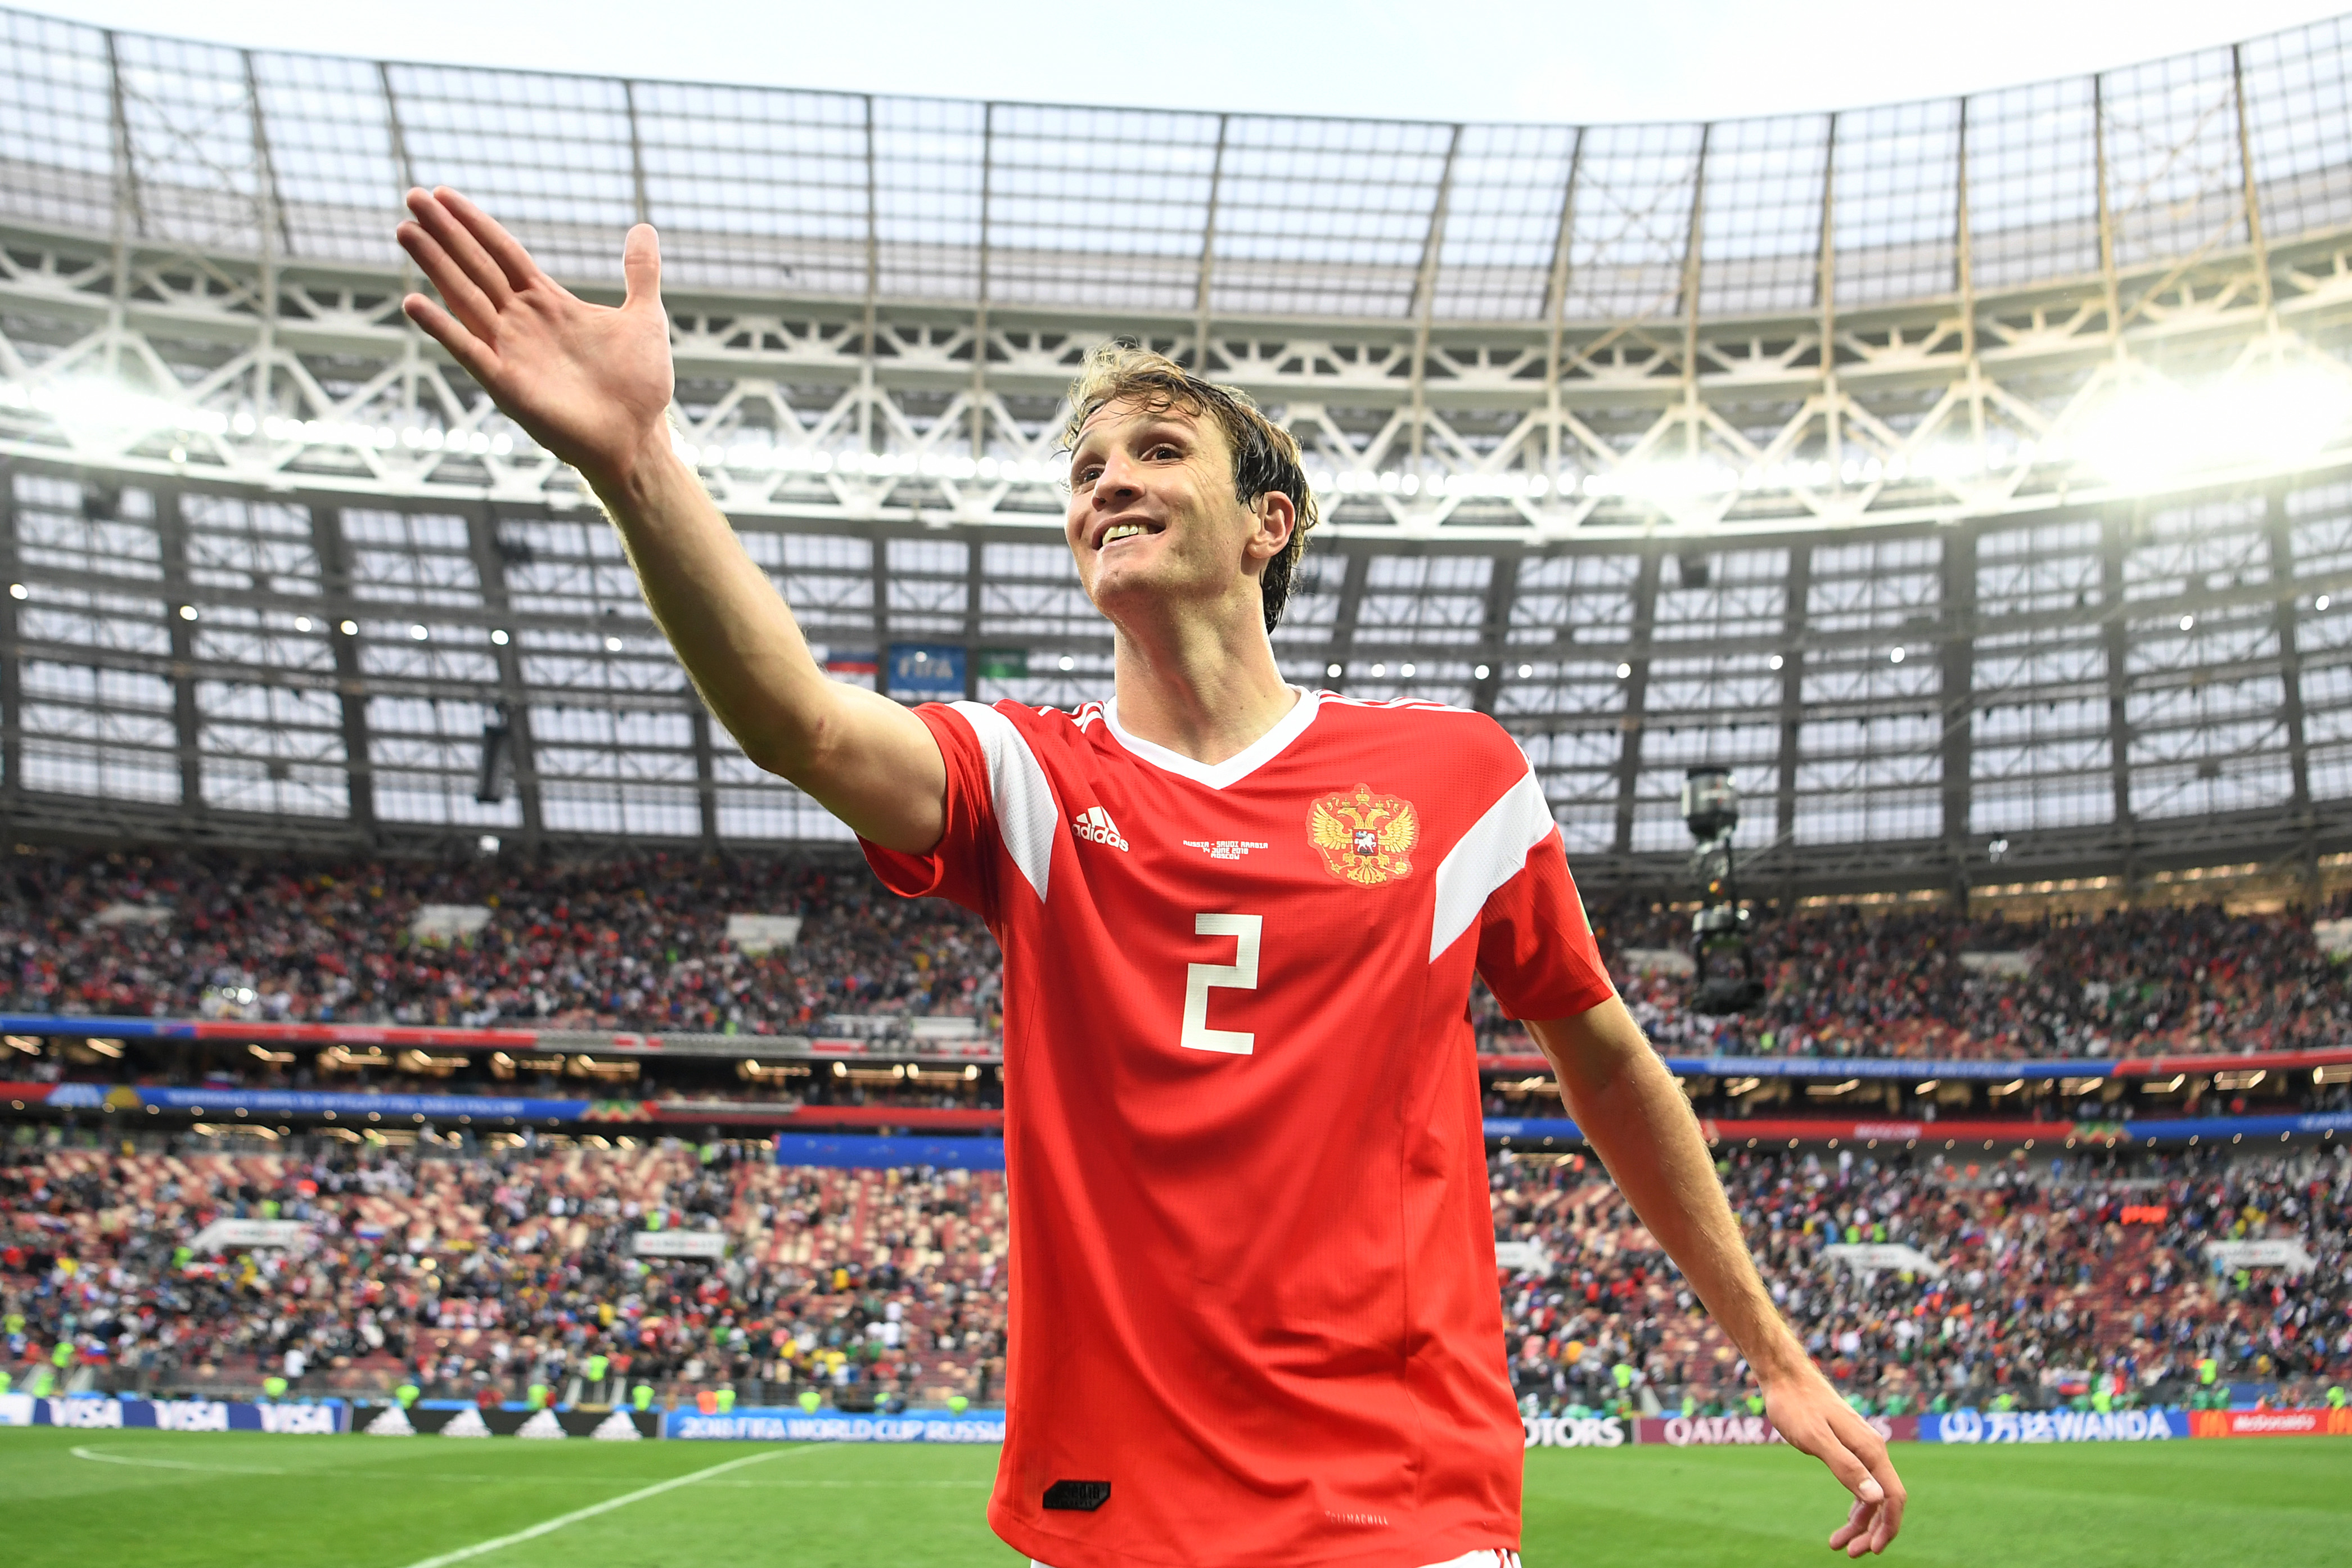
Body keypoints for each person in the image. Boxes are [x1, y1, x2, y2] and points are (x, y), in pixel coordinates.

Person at [395, 187, 1907, 1567]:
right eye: (1085, 466)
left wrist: (1769, 1345)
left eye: (1156, 451)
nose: (1104, 481)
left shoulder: (1456, 779)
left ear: (1270, 523)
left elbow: (1600, 1043)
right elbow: (796, 714)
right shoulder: (1034, 783)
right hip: (1109, 1518)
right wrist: (639, 461)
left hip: (1402, 1506)